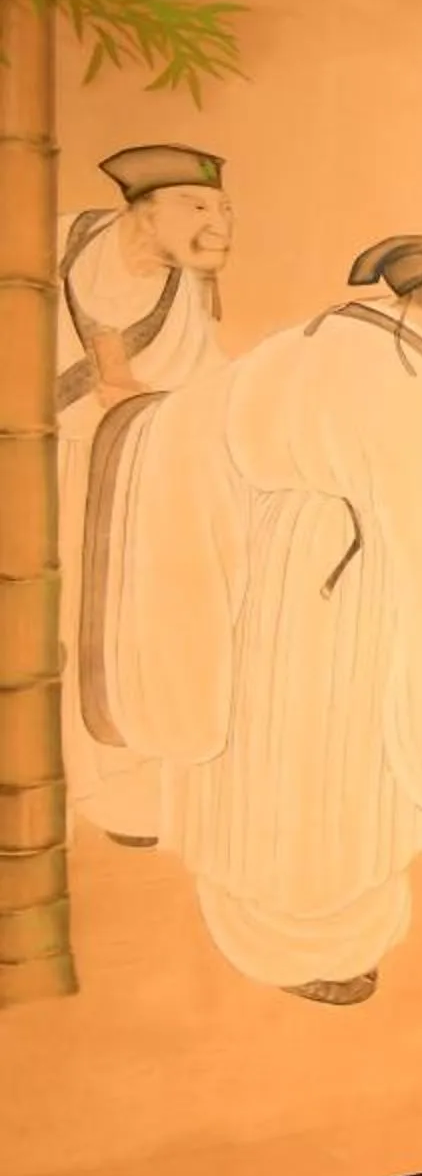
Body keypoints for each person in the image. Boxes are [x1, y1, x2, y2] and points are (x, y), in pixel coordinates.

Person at [81, 235, 422, 1004]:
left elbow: (181, 430)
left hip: (264, 578)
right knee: (333, 765)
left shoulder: (298, 347)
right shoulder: (409, 379)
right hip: (355, 601)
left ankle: (262, 929)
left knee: (260, 753)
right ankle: (324, 940)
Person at [55, 144, 236, 847]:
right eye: (197, 206)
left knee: (119, 628)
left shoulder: (185, 287)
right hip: (39, 468)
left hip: (127, 479)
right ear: (144, 211)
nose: (219, 223)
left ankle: (113, 795)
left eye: (224, 209)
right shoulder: (53, 242)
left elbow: (206, 381)